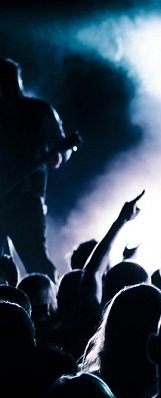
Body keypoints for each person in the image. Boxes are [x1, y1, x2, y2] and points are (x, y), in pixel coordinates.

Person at [0, 57, 75, 280]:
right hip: (15, 198)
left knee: (36, 263)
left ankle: (46, 299)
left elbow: (61, 148)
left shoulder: (38, 111)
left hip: (25, 199)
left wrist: (57, 156)